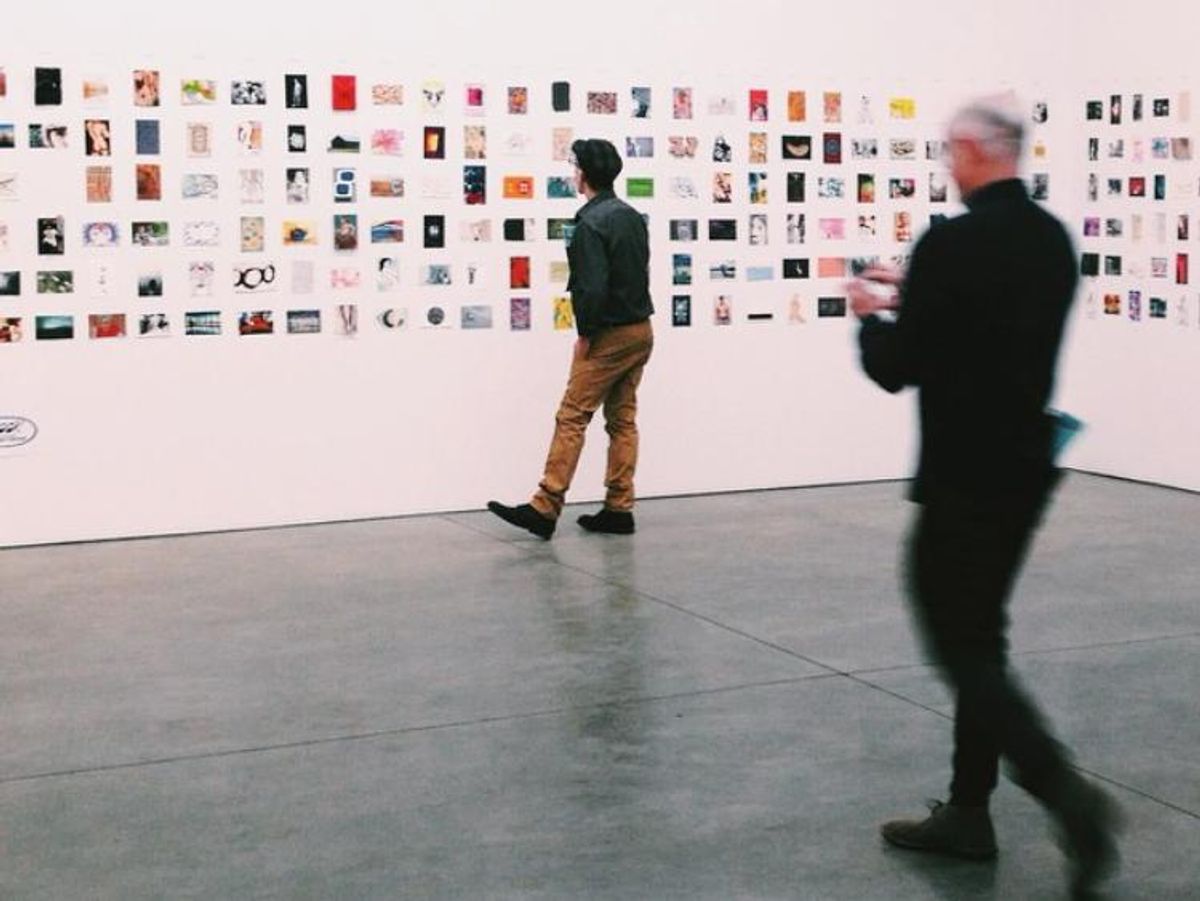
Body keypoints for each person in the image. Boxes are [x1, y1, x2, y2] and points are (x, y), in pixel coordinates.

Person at [846, 97, 1124, 897]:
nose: (947, 165)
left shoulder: (951, 243)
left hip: (961, 477)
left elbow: (898, 365)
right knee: (981, 638)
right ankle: (969, 811)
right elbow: (985, 324)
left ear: (975, 149)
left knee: (958, 644)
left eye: (949, 151)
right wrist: (919, 292)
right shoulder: (1050, 239)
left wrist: (867, 316)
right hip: (1025, 469)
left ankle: (1066, 793)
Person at [488, 138, 654, 539]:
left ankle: (545, 506)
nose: (572, 174)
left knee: (572, 415)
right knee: (622, 419)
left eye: (575, 167)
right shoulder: (631, 216)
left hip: (609, 334)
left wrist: (586, 335)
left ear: (584, 174)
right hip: (641, 329)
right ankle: (619, 507)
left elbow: (591, 287)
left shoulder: (589, 223)